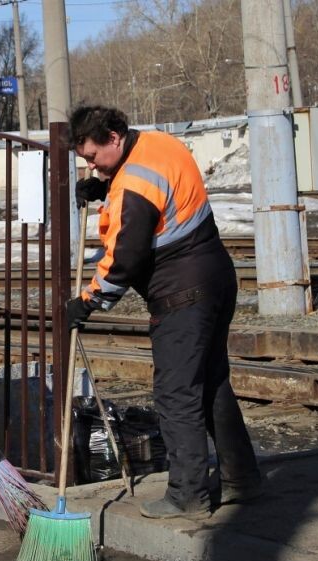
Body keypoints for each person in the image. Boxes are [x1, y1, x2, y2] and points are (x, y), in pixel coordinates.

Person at [65, 105, 261, 521]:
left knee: (176, 395)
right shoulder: (157, 143)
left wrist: (89, 300)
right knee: (211, 385)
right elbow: (162, 199)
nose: (91, 166)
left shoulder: (133, 185)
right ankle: (241, 479)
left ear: (114, 138)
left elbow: (125, 258)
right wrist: (105, 188)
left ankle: (187, 494)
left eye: (93, 157)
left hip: (182, 294)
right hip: (215, 276)